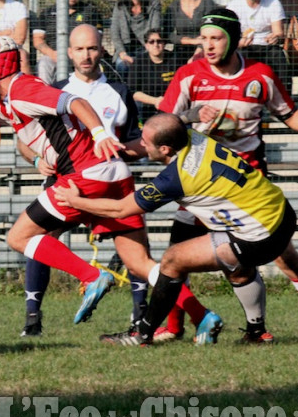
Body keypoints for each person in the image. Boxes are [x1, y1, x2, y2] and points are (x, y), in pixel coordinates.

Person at [19, 26, 216, 343]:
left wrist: (123, 148)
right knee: (42, 240)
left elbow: (137, 143)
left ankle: (137, 311)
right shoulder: (54, 89)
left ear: (101, 51)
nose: (86, 55)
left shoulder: (119, 92)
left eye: (93, 48)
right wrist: (34, 159)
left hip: (107, 183)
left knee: (135, 259)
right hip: (68, 180)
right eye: (80, 49)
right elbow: (25, 140)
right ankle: (32, 319)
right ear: (69, 53)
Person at [54, 113, 298, 347]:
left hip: (258, 234)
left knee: (173, 261)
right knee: (237, 268)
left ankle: (142, 334)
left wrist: (75, 201)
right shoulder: (195, 136)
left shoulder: (176, 177)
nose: (141, 144)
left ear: (165, 149)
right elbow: (174, 123)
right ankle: (257, 333)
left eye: (145, 141)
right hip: (280, 212)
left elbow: (120, 210)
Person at [159, 8, 298, 341]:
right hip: (202, 184)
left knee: (285, 257)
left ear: (234, 39)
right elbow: (161, 126)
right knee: (175, 255)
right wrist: (193, 114)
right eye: (204, 38)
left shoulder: (260, 75)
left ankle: (271, 328)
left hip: (247, 186)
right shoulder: (189, 75)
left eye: (216, 38)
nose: (208, 45)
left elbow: (293, 118)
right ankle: (175, 328)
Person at [0, 35, 126, 325]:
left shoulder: (23, 90)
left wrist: (100, 134)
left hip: (84, 175)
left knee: (19, 237)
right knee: (139, 259)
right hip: (110, 171)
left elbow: (75, 101)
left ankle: (92, 276)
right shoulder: (7, 99)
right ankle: (200, 318)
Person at [226, 0, 289, 90]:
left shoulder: (273, 3)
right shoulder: (234, 6)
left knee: (279, 56)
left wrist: (275, 37)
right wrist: (240, 43)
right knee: (241, 56)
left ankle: (285, 99)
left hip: (267, 47)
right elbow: (228, 37)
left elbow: (279, 32)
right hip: (245, 47)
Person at [31, 0, 103, 84]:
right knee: (44, 63)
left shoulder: (90, 12)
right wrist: (53, 54)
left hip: (81, 55)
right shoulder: (47, 12)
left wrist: (78, 54)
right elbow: (38, 40)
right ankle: (46, 98)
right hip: (54, 56)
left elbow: (97, 38)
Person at [162, 0, 217, 64]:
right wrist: (192, 41)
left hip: (206, 49)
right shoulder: (173, 8)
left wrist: (199, 50)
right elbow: (168, 35)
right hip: (180, 53)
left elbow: (213, 29)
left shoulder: (207, 4)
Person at [110, 0, 161, 79]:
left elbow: (155, 29)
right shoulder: (120, 6)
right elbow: (115, 33)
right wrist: (123, 54)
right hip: (126, 49)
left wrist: (148, 53)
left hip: (147, 47)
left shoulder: (154, 3)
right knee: (122, 65)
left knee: (149, 67)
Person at [127, 28, 177, 122]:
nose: (156, 45)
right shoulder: (139, 62)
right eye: (151, 42)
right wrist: (155, 101)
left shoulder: (174, 59)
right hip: (147, 105)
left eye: (159, 41)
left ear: (164, 43)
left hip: (172, 104)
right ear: (146, 45)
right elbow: (133, 92)